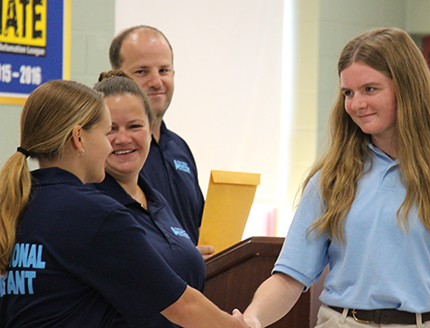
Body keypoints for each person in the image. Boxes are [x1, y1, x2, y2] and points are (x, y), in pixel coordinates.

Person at [240, 28, 430, 328]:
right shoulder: (331, 180)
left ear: (407, 89)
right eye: (348, 93)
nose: (356, 104)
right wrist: (252, 318)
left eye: (370, 89)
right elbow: (288, 278)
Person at [0, 80, 248, 328]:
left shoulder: (17, 200)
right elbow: (182, 306)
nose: (112, 144)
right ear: (78, 138)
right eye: (107, 131)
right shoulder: (94, 213)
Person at [93, 70, 205, 327]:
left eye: (134, 126)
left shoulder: (157, 201)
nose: (123, 139)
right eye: (110, 129)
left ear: (150, 128)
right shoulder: (91, 207)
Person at [109, 25, 214, 257]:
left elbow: (197, 227)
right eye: (142, 72)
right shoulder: (110, 153)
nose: (156, 82)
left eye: (164, 70)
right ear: (116, 77)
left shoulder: (180, 149)